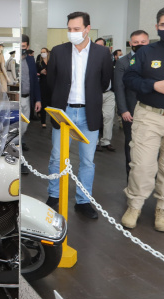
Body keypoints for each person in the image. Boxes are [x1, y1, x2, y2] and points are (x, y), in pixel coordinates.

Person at [45, 12, 113, 219]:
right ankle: (53, 196)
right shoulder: (58, 51)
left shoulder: (102, 53)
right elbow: (51, 81)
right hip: (63, 112)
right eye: (69, 29)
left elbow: (104, 82)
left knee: (87, 160)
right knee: (57, 156)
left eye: (76, 29)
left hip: (88, 113)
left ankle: (83, 201)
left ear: (87, 29)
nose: (72, 33)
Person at [122, 6, 164, 232]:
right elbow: (129, 78)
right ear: (157, 27)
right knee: (143, 165)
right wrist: (153, 85)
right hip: (148, 115)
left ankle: (163, 208)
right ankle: (134, 205)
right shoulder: (146, 51)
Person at [114, 30, 150, 179]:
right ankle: (131, 178)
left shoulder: (154, 59)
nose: (139, 45)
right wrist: (123, 110)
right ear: (130, 44)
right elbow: (119, 87)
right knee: (131, 144)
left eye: (143, 42)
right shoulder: (123, 62)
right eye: (136, 43)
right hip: (130, 111)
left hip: (152, 110)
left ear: (148, 42)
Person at [19, 35, 42, 176]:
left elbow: (34, 81)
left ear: (27, 47)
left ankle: (19, 155)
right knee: (17, 132)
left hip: (27, 100)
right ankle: (20, 161)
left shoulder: (30, 60)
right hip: (16, 100)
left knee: (23, 129)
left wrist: (38, 99)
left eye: (23, 47)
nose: (22, 49)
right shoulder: (13, 61)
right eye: (19, 46)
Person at [94, 38, 117, 153]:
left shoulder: (111, 59)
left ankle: (106, 141)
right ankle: (95, 142)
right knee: (96, 118)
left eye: (101, 46)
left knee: (109, 117)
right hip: (96, 93)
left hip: (109, 93)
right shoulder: (91, 60)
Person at [36, 47, 51, 128]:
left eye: (44, 52)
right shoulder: (39, 63)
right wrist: (40, 72)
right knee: (43, 103)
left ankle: (53, 121)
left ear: (47, 52)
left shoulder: (51, 62)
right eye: (41, 52)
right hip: (42, 84)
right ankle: (43, 122)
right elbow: (36, 72)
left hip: (51, 85)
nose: (43, 53)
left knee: (52, 104)